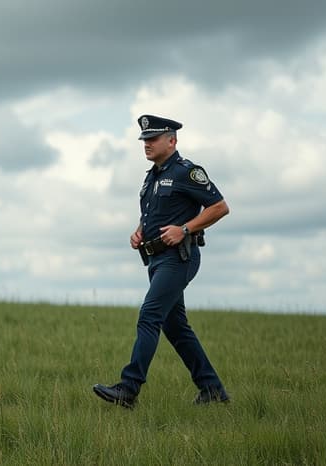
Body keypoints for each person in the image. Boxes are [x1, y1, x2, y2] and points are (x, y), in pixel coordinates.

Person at [92, 114, 231, 408]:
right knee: (175, 327)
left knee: (149, 315)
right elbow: (154, 215)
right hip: (155, 260)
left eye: (153, 139)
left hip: (179, 258)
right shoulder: (151, 177)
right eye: (144, 140)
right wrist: (140, 231)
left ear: (172, 140)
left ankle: (128, 389)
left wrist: (185, 229)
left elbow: (219, 207)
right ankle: (212, 390)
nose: (147, 144)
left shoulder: (187, 172)